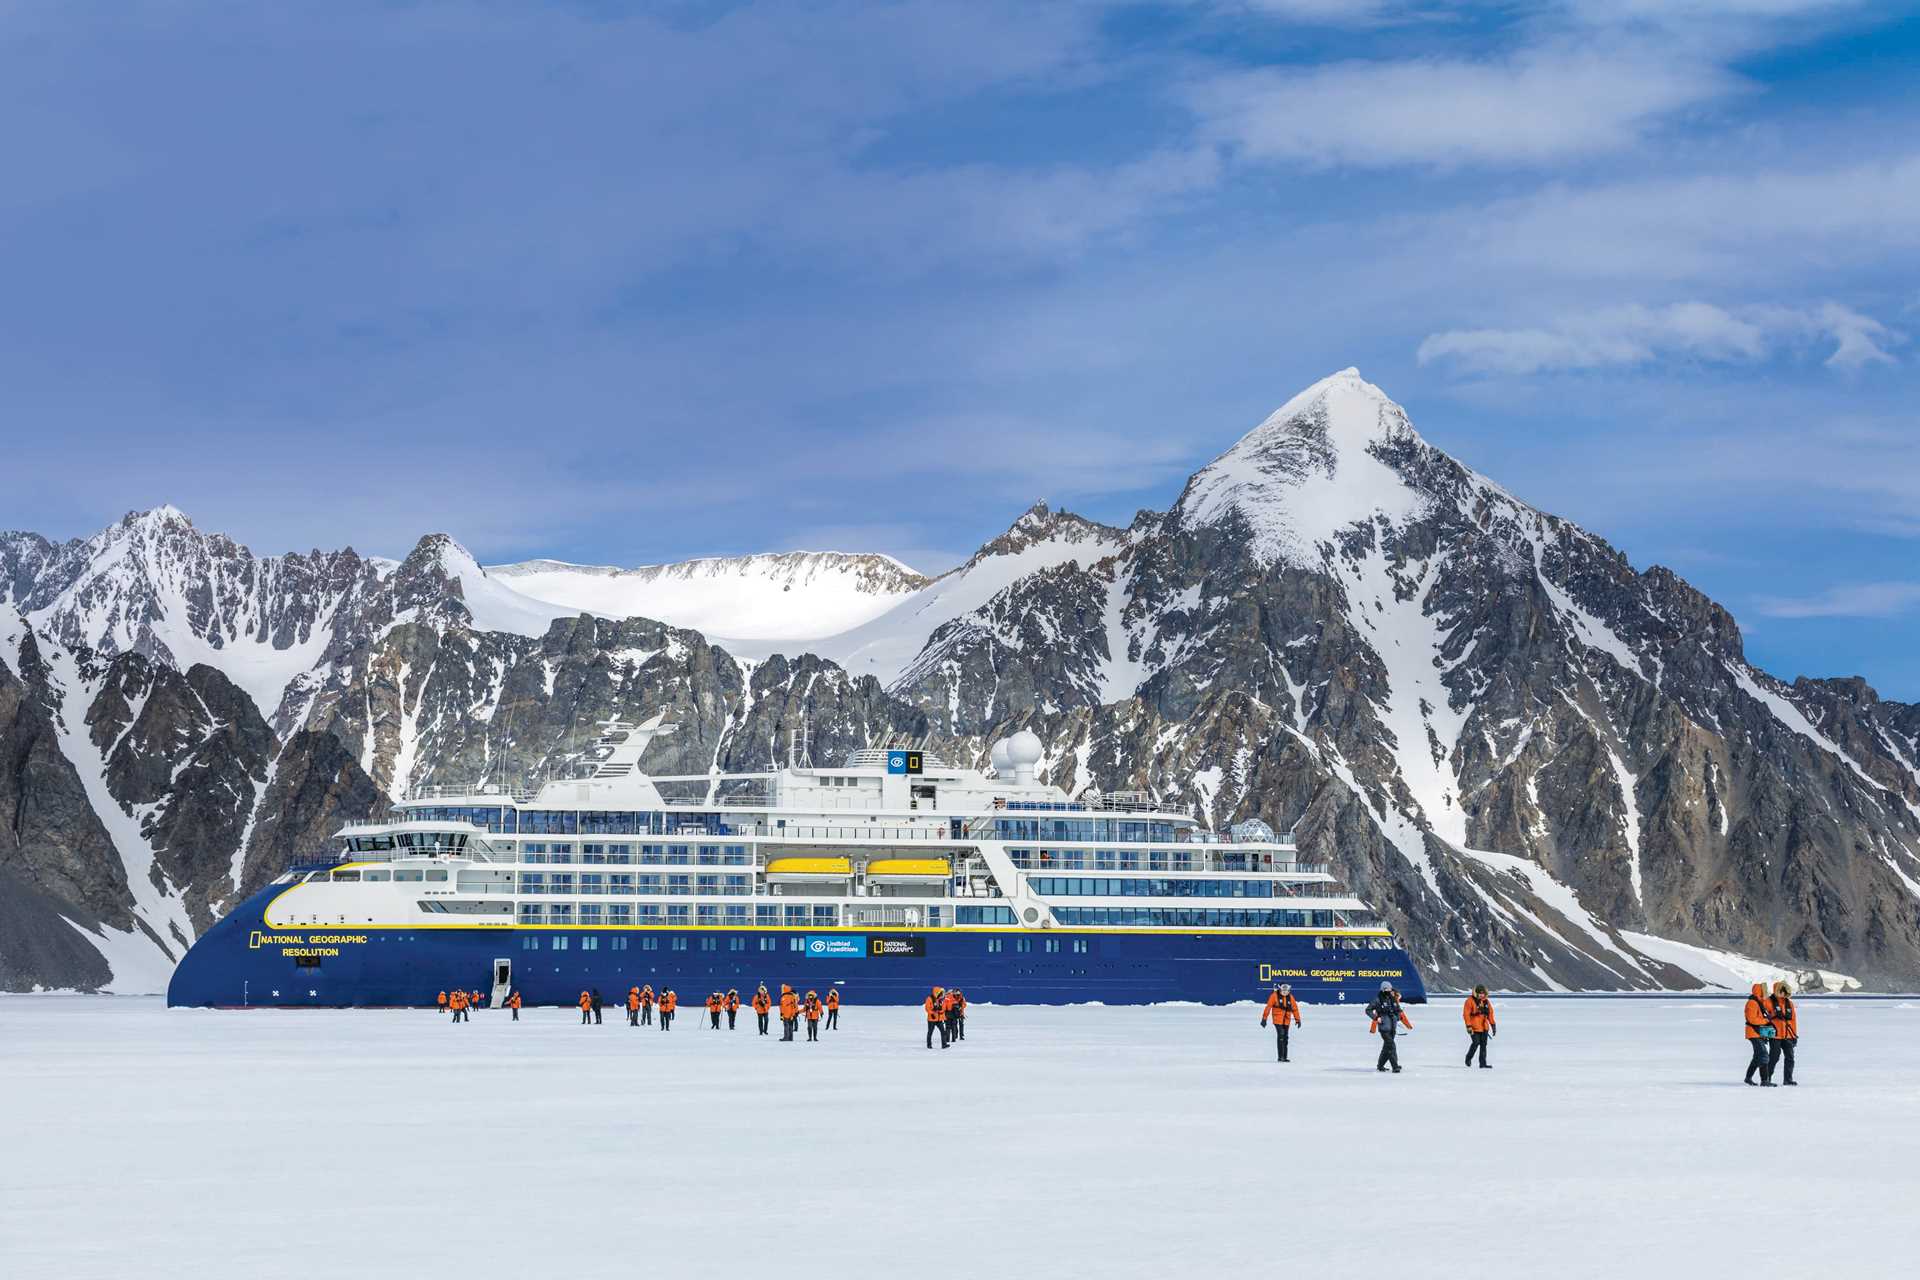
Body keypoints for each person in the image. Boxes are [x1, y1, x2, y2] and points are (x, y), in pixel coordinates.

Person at [1364, 981, 1412, 1073]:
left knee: (1386, 1047)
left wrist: (1397, 1017)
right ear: (1382, 989)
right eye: (1387, 989)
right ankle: (1395, 1066)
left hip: (1392, 1027)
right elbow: (1368, 1010)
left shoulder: (1393, 999)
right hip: (1384, 1028)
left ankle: (1380, 1065)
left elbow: (1398, 1010)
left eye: (1390, 989)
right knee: (1391, 1046)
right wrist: (1376, 1018)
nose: (1389, 990)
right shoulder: (1377, 999)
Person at [1744, 982, 1777, 1086]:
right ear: (1760, 991)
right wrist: (1766, 1020)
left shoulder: (1759, 1002)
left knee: (1758, 1057)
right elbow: (1752, 1019)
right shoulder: (1752, 1003)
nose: (1766, 992)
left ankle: (1748, 1078)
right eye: (1764, 990)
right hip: (1753, 1033)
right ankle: (1764, 1081)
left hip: (1758, 1032)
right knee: (1763, 1055)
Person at [1768, 981, 1799, 1086]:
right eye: (1781, 991)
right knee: (1774, 1057)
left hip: (1788, 1035)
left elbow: (1793, 1020)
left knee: (1790, 1057)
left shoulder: (1789, 1003)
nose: (1783, 993)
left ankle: (1788, 1079)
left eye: (1785, 991)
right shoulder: (1768, 1002)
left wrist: (1794, 1035)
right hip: (1775, 1035)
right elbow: (1764, 1018)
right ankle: (1767, 1078)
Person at [1261, 983, 1302, 1062]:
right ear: (1280, 989)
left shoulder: (1290, 997)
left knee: (1285, 1038)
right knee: (1281, 1036)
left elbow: (1295, 1009)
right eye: (1283, 990)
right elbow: (1268, 1007)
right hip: (1277, 1020)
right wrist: (1264, 1019)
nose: (1285, 992)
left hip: (1286, 1020)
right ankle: (1280, 1057)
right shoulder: (1274, 996)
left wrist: (1298, 1020)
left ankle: (1284, 1057)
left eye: (1286, 991)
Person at [1461, 985, 1496, 1068]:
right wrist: (1468, 1026)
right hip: (1473, 1027)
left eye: (1483, 993)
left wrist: (1493, 1025)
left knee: (1483, 1045)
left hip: (1484, 1027)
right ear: (1476, 993)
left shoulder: (1486, 1002)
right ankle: (1468, 1058)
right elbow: (1466, 1014)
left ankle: (1483, 1064)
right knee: (1476, 1043)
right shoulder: (1469, 1001)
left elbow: (1490, 1014)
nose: (1481, 995)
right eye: (1480, 993)